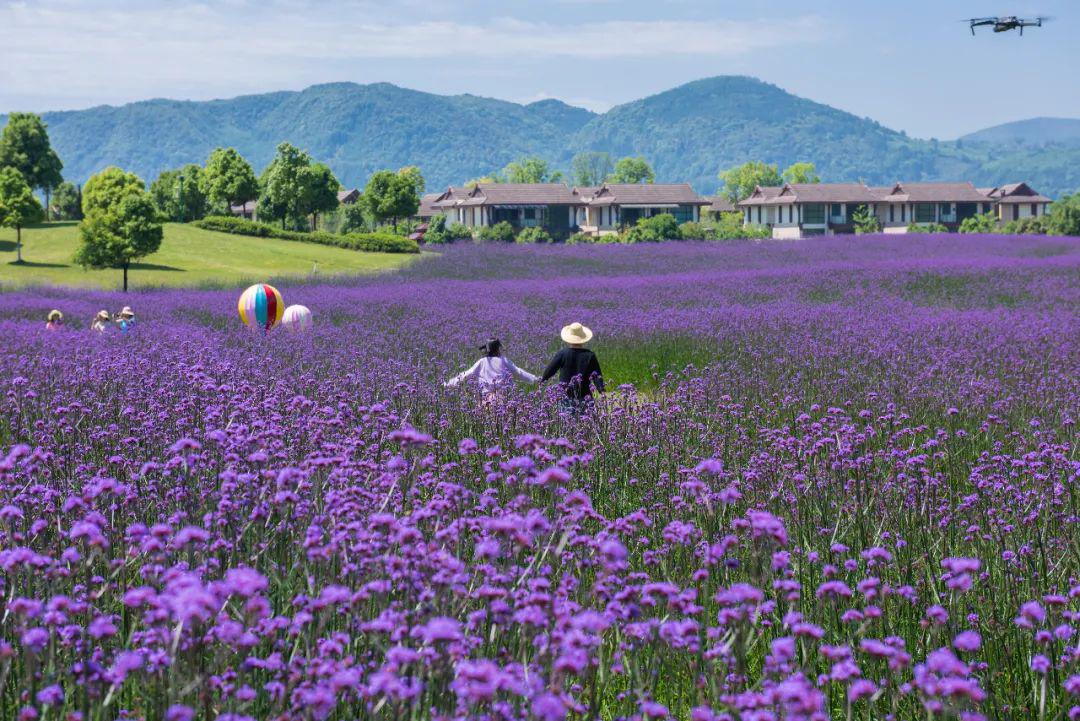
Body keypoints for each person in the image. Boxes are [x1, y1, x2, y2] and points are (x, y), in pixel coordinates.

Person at [541, 322, 604, 413]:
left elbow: (550, 370)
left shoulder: (562, 353)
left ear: (568, 339)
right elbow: (596, 375)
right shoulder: (590, 355)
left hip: (566, 394)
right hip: (585, 395)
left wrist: (543, 380)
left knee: (567, 422)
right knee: (585, 422)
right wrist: (601, 389)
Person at [445, 339, 539, 398]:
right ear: (498, 349)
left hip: (485, 397)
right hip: (502, 397)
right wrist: (536, 379)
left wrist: (448, 384)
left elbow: (465, 375)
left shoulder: (482, 362)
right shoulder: (503, 360)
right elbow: (518, 372)